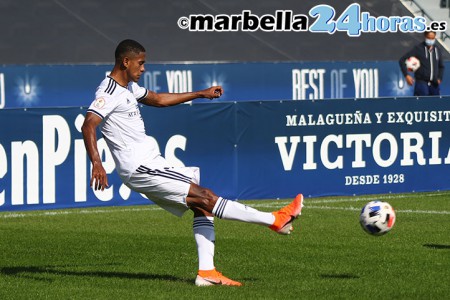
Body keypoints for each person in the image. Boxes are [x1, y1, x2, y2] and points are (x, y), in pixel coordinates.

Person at [82, 39, 304, 287]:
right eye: (141, 63)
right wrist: (97, 164)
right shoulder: (109, 92)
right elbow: (88, 124)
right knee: (206, 195)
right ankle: (275, 220)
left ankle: (207, 273)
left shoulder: (129, 88)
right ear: (126, 61)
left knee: (203, 206)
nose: (143, 68)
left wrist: (200, 93)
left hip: (149, 163)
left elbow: (157, 99)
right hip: (140, 166)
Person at [399, 31, 445, 96]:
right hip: (421, 83)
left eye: (432, 38)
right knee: (422, 104)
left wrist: (439, 78)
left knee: (435, 104)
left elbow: (441, 66)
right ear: (425, 37)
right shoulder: (418, 48)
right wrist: (406, 75)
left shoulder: (437, 50)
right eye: (429, 38)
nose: (430, 40)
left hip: (434, 84)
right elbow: (402, 60)